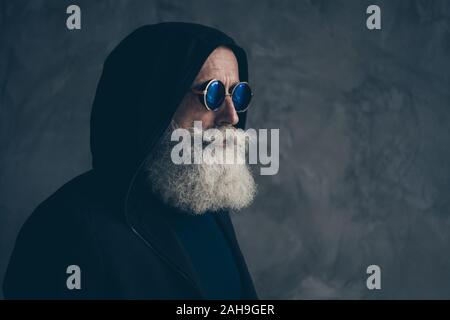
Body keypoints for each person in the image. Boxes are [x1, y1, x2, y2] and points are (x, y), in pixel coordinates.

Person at [3, 22, 258, 299]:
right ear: (154, 102)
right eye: (212, 94)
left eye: (238, 94)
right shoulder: (62, 229)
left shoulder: (206, 205)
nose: (232, 117)